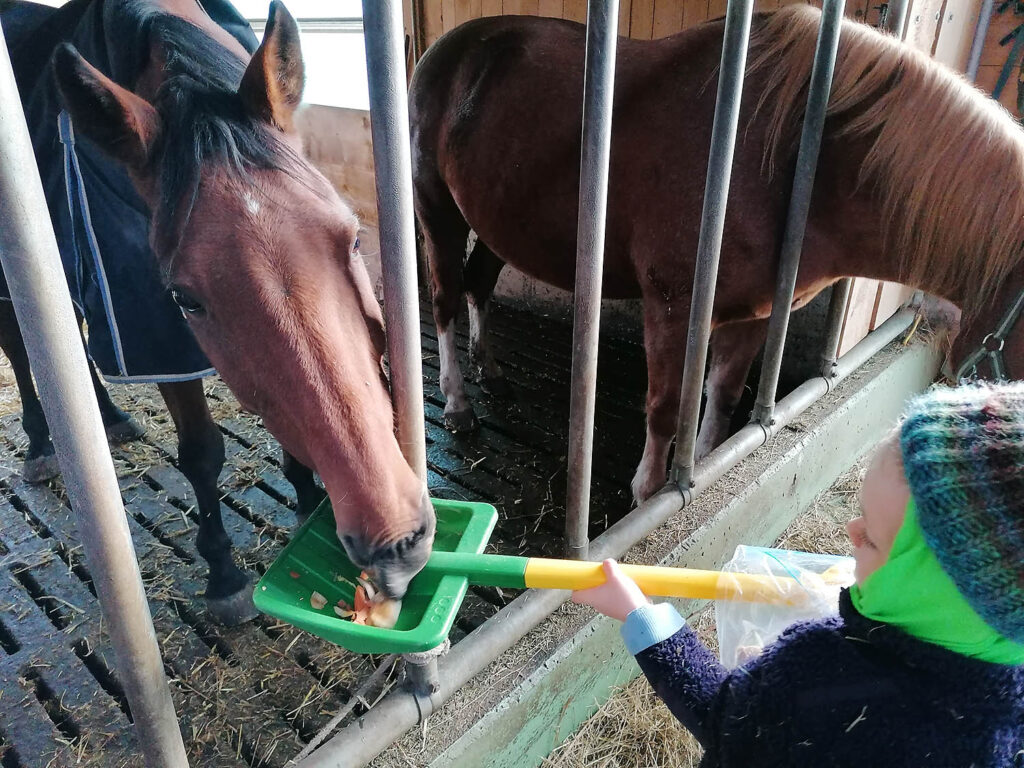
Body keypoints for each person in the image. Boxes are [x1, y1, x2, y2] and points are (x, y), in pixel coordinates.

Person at [574, 383, 1024, 767]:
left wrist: (641, 618)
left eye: (870, 538)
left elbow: (723, 719)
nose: (851, 531)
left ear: (929, 588)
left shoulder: (821, 671)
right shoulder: (1005, 703)